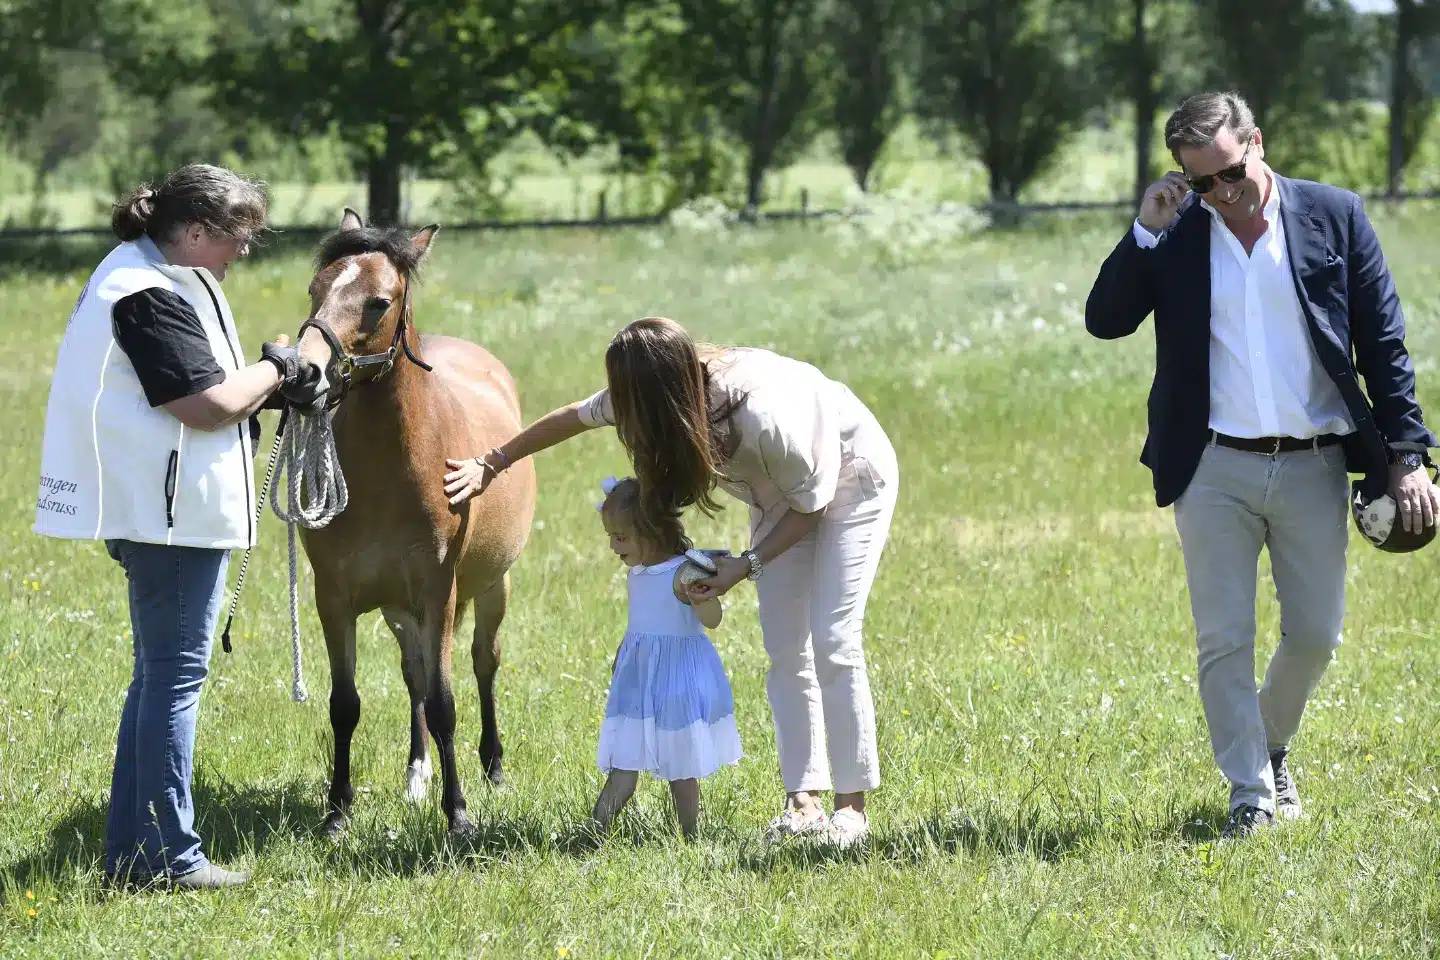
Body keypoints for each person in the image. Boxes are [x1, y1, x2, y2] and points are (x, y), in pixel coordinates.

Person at [1084, 91, 1438, 839]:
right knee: (1224, 638)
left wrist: (1408, 456)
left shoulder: (1333, 215)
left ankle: (1271, 744)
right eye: (1200, 181)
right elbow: (1107, 319)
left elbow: (1383, 343)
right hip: (1212, 467)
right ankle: (1250, 792)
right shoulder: (1178, 232)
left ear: (1258, 141)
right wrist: (1145, 230)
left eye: (1230, 172)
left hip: (1313, 463)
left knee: (1316, 634)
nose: (1220, 192)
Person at [443, 316, 899, 848]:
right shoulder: (651, 393)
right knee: (785, 645)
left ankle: (852, 812)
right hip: (780, 497)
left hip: (848, 478)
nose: (622, 417)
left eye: (630, 405)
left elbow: (813, 506)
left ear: (665, 396)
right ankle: (804, 804)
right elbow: (574, 417)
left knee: (833, 638)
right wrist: (493, 462)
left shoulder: (762, 414)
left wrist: (747, 564)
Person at [32, 163, 324, 889]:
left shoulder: (149, 274)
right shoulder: (147, 295)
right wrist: (283, 367)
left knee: (159, 677)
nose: (243, 251)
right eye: (239, 236)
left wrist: (270, 382)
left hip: (161, 509)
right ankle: (166, 856)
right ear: (195, 232)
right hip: (166, 518)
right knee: (174, 679)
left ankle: (135, 853)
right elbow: (209, 405)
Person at [588, 475, 742, 839]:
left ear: (653, 532)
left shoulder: (682, 573)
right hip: (640, 678)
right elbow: (639, 624)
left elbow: (713, 620)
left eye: (620, 537)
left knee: (681, 766)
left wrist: (702, 597)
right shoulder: (638, 573)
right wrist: (623, 654)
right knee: (624, 761)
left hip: (676, 681)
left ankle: (691, 834)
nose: (613, 546)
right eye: (610, 536)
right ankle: (593, 831)